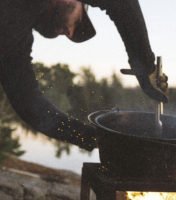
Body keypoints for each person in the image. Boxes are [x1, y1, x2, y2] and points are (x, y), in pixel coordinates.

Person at [0, 0, 167, 151]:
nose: (70, 32)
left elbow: (29, 104)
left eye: (68, 33)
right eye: (78, 21)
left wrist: (92, 137)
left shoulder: (13, 39)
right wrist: (145, 65)